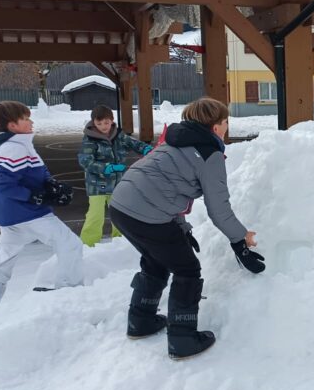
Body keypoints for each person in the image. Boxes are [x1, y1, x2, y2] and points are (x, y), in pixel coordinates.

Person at [109, 98, 266, 360]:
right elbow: (219, 209)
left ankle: (141, 320)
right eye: (225, 122)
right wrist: (241, 239)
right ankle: (182, 339)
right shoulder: (210, 154)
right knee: (187, 270)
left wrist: (180, 227)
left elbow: (166, 188)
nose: (227, 127)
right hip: (148, 214)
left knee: (155, 260)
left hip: (121, 206)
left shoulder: (173, 140)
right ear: (216, 127)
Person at [0, 101, 81, 311]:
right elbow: (5, 184)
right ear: (12, 126)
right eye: (25, 119)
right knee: (70, 244)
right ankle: (69, 291)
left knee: (5, 260)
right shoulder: (13, 148)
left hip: (13, 215)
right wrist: (35, 197)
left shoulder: (20, 144)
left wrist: (52, 187)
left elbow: (33, 173)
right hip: (28, 214)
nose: (31, 122)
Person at [77, 105, 152, 247]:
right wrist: (106, 168)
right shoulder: (90, 139)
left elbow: (133, 143)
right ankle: (87, 244)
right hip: (97, 186)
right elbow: (85, 161)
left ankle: (121, 242)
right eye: (99, 124)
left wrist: (145, 149)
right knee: (95, 216)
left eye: (106, 123)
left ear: (112, 120)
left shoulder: (118, 135)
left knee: (120, 215)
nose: (103, 126)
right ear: (93, 123)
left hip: (117, 184)